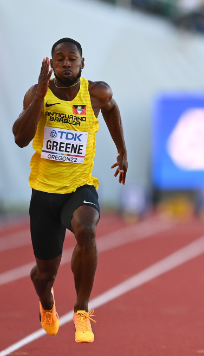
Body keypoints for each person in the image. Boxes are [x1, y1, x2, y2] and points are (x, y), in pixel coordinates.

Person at [12, 38, 128, 343]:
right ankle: (47, 302)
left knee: (87, 229)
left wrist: (122, 151)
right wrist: (39, 93)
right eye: (59, 59)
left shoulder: (96, 93)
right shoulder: (38, 94)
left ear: (82, 63)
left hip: (79, 186)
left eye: (71, 59)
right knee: (44, 274)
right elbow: (21, 139)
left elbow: (112, 110)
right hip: (44, 193)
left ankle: (81, 309)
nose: (66, 64)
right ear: (52, 64)